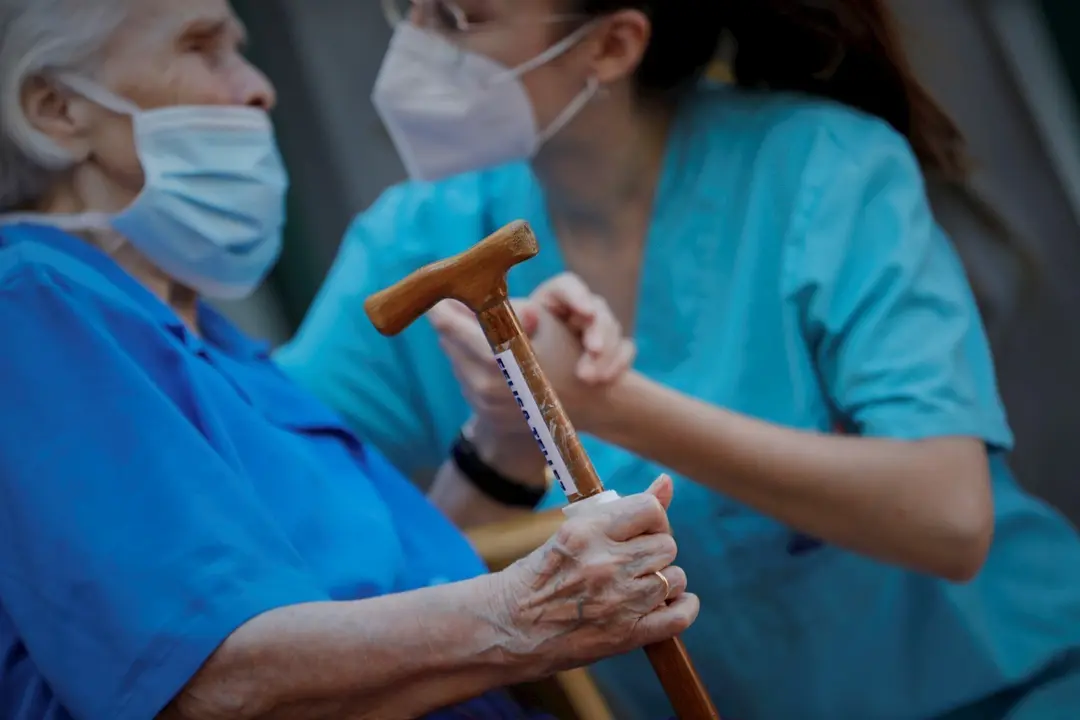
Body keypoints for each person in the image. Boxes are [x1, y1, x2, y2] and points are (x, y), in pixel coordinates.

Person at [277, 0, 1080, 718]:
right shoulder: (416, 243)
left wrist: (602, 402)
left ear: (612, 45)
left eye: (459, 19)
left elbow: (948, 516)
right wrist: (498, 446)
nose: (412, 49)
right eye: (409, 8)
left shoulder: (822, 169)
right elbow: (303, 552)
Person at [0, 1, 700, 719]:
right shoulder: (26, 302)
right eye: (202, 47)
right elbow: (203, 682)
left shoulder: (219, 351)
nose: (257, 87)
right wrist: (524, 615)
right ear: (56, 109)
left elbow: (389, 593)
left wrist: (503, 440)